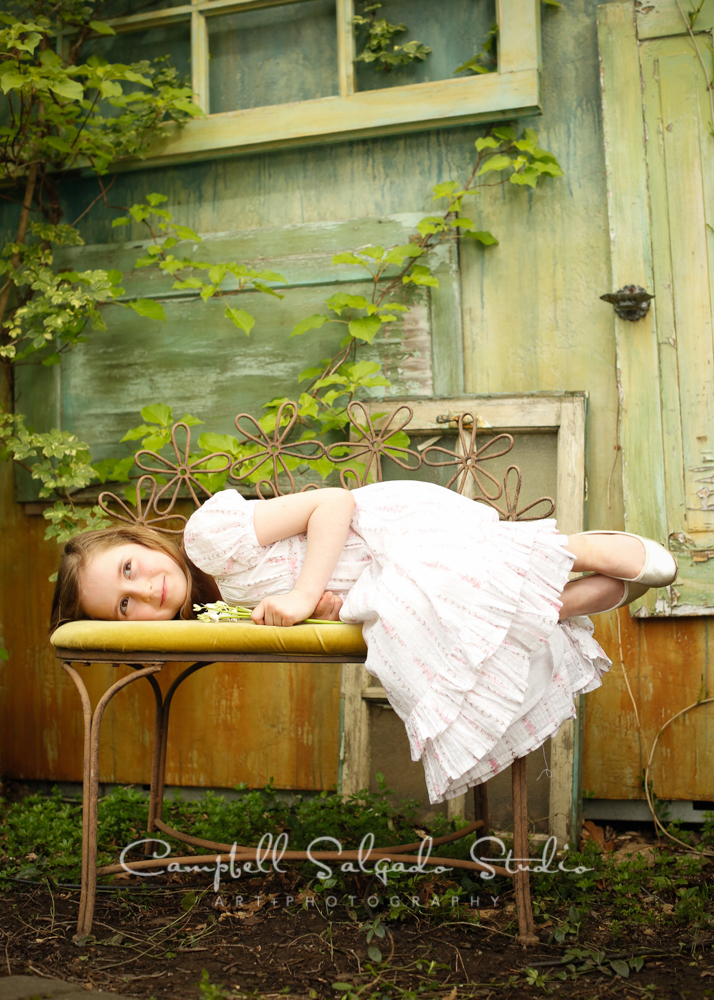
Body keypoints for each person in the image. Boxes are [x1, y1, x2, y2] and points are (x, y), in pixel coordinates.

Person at [49, 481, 677, 804]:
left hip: (389, 533)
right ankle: (555, 604)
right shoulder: (213, 607)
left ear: (142, 542)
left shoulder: (207, 539)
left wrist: (301, 596)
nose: (146, 593)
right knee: (400, 630)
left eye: (131, 569)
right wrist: (317, 603)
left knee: (424, 586)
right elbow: (325, 600)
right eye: (125, 606)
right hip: (374, 584)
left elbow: (332, 504)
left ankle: (573, 550)